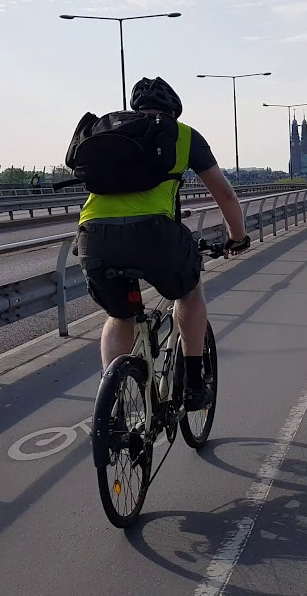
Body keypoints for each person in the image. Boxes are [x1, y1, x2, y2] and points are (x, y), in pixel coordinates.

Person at [76, 77, 250, 410]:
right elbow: (226, 196)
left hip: (93, 236)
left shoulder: (107, 134)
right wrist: (237, 238)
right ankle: (195, 385)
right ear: (174, 110)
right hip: (155, 235)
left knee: (120, 315)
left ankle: (112, 401)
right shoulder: (184, 135)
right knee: (189, 290)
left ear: (136, 109)